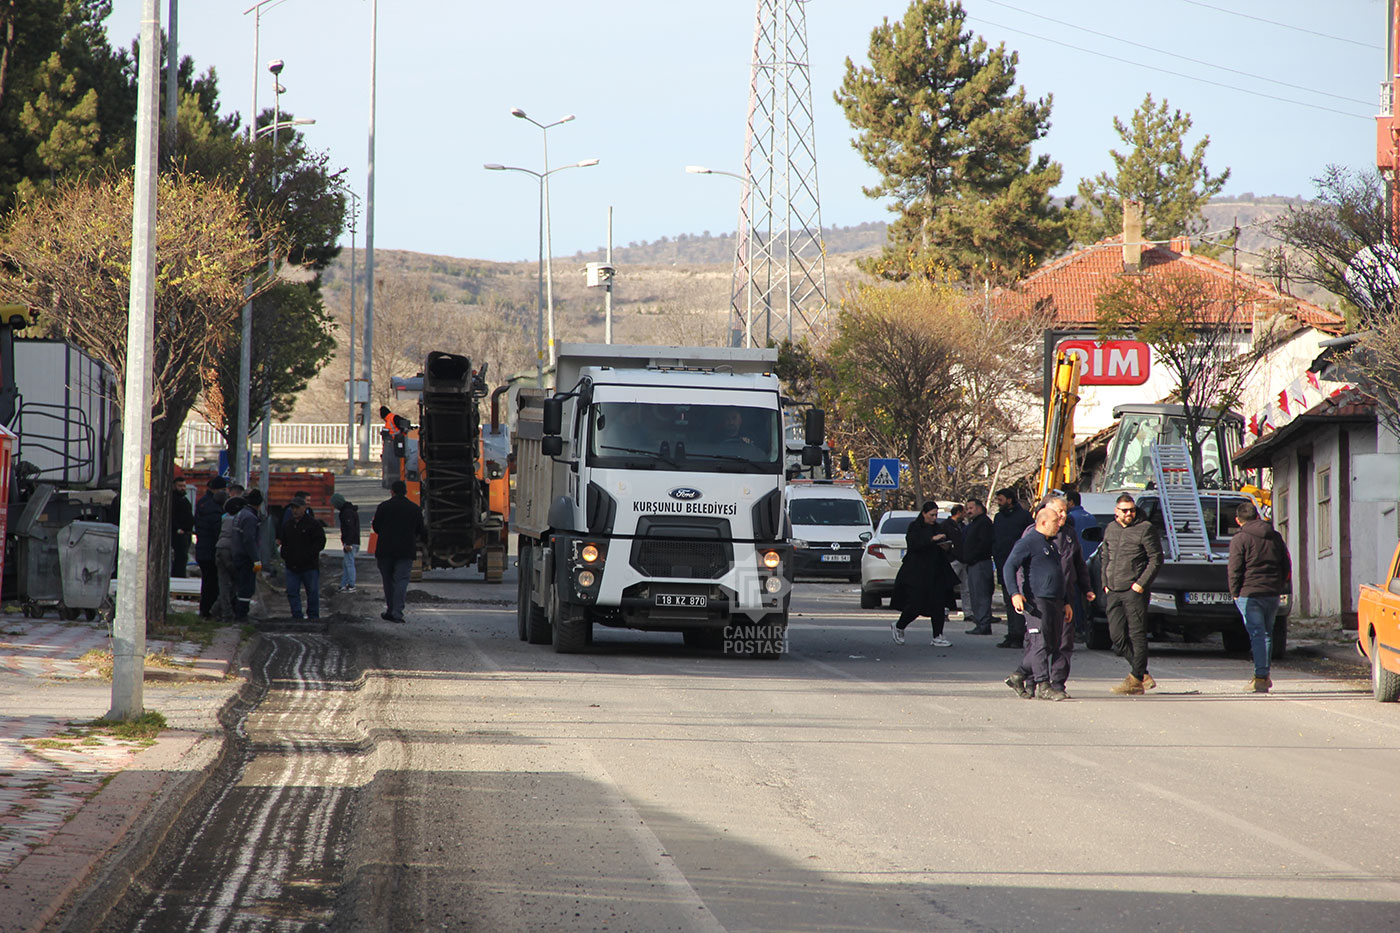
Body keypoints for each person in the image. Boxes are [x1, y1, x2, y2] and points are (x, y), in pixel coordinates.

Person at [1004, 496, 1093, 699]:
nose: (1059, 522)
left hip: (1056, 600)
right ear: (1043, 522)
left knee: (1053, 644)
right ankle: (1043, 685)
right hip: (1036, 600)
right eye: (1055, 520)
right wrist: (1015, 593)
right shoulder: (1028, 540)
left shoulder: (1053, 544)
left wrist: (1067, 602)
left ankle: (1019, 675)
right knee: (1040, 643)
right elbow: (1010, 566)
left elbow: (1061, 574)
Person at [1099, 493, 1164, 695]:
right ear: (1116, 511)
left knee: (1137, 634)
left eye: (1132, 510)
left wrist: (1140, 584)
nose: (1129, 514)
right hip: (1113, 589)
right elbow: (1105, 556)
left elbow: (1156, 558)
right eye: (1125, 510)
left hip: (1134, 590)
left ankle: (1135, 679)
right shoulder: (1111, 528)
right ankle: (1142, 673)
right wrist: (1105, 583)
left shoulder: (1145, 528)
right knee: (1117, 636)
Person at [1227, 501, 1291, 694]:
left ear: (1238, 520)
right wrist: (1279, 585)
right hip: (1272, 593)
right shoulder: (1275, 536)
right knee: (1267, 633)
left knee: (1257, 634)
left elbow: (1235, 568)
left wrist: (1234, 592)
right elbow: (1286, 564)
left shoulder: (1240, 538)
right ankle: (1264, 674)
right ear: (1257, 516)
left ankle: (1261, 677)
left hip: (1250, 592)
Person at [889, 501, 958, 647]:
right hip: (917, 572)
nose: (934, 518)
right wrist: (932, 539)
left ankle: (937, 636)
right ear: (924, 514)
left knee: (939, 604)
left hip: (936, 571)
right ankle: (899, 626)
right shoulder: (915, 527)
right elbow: (914, 544)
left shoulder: (937, 528)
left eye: (936, 515)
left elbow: (945, 547)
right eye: (931, 515)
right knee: (916, 604)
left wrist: (945, 546)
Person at [372, 479, 426, 623]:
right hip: (405, 550)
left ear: (392, 492)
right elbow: (421, 530)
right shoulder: (414, 509)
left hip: (385, 550)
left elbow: (376, 527)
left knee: (388, 581)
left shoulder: (383, 507)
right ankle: (397, 613)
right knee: (401, 580)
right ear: (405, 492)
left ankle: (390, 610)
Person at [992, 488, 1034, 649]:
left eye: (1001, 499)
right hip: (1003, 563)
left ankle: (1020, 634)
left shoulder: (1023, 516)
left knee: (1020, 599)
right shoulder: (999, 517)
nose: (999, 503)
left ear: (1009, 500)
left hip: (1020, 565)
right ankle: (1011, 633)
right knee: (1008, 601)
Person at [280, 499, 327, 620]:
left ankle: (313, 617)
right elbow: (284, 542)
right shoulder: (288, 525)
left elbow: (320, 542)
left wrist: (309, 554)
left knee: (312, 592)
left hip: (309, 566)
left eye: (297, 508)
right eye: (293, 508)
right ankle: (297, 616)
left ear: (304, 508)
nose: (294, 511)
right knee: (292, 592)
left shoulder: (313, 524)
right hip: (292, 566)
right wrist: (285, 555)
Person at [194, 477, 229, 618]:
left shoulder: (203, 503)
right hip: (210, 551)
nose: (225, 492)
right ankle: (209, 611)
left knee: (207, 581)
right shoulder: (214, 508)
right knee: (212, 583)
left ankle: (205, 611)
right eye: (223, 489)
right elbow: (217, 531)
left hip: (202, 548)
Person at [961, 498, 996, 635]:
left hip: (980, 563)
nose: (968, 511)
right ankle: (980, 623)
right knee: (975, 595)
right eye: (967, 508)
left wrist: (972, 557)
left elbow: (984, 544)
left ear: (979, 508)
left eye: (971, 508)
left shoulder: (984, 523)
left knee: (981, 595)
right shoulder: (974, 523)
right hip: (973, 564)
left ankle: (984, 624)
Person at [231, 490, 263, 619]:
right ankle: (241, 615)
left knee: (240, 586)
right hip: (246, 558)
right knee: (246, 587)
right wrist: (256, 559)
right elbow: (249, 540)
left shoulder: (240, 514)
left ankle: (238, 612)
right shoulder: (250, 518)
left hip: (237, 554)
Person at [214, 496, 243, 622]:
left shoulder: (224, 518)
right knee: (234, 583)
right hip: (230, 551)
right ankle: (226, 613)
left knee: (223, 583)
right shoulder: (238, 520)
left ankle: (218, 611)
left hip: (219, 548)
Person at [939, 504, 968, 612]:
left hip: (964, 560)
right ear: (958, 513)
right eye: (964, 512)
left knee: (966, 588)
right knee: (946, 587)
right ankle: (944, 611)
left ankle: (968, 612)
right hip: (951, 560)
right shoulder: (945, 525)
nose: (965, 514)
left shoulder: (963, 526)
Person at [331, 493, 361, 592]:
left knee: (349, 564)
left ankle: (351, 585)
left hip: (351, 542)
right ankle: (343, 584)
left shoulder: (346, 513)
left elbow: (350, 528)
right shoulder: (349, 511)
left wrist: (348, 543)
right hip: (353, 541)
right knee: (346, 564)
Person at [170, 476, 195, 578]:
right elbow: (171, 516)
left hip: (186, 532)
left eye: (184, 486)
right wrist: (177, 528)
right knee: (180, 556)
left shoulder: (184, 499)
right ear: (174, 486)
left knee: (183, 556)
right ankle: (178, 576)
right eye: (180, 486)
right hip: (178, 533)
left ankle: (180, 575)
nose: (182, 488)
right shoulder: (173, 499)